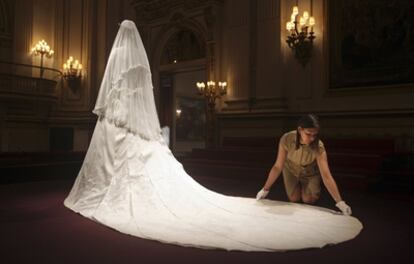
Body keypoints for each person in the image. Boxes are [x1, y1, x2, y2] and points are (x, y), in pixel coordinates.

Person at [64, 20, 362, 252]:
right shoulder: (137, 70)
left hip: (120, 127)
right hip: (130, 129)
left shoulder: (119, 65)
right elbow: (139, 99)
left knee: (305, 196)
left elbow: (118, 99)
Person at [256, 114, 352, 215]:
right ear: (300, 129)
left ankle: (307, 191)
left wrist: (340, 202)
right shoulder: (287, 139)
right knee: (294, 198)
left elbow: (326, 176)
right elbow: (278, 166)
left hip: (310, 172)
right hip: (290, 169)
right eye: (308, 134)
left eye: (315, 135)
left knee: (308, 200)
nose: (312, 138)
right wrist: (265, 189)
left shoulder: (319, 147)